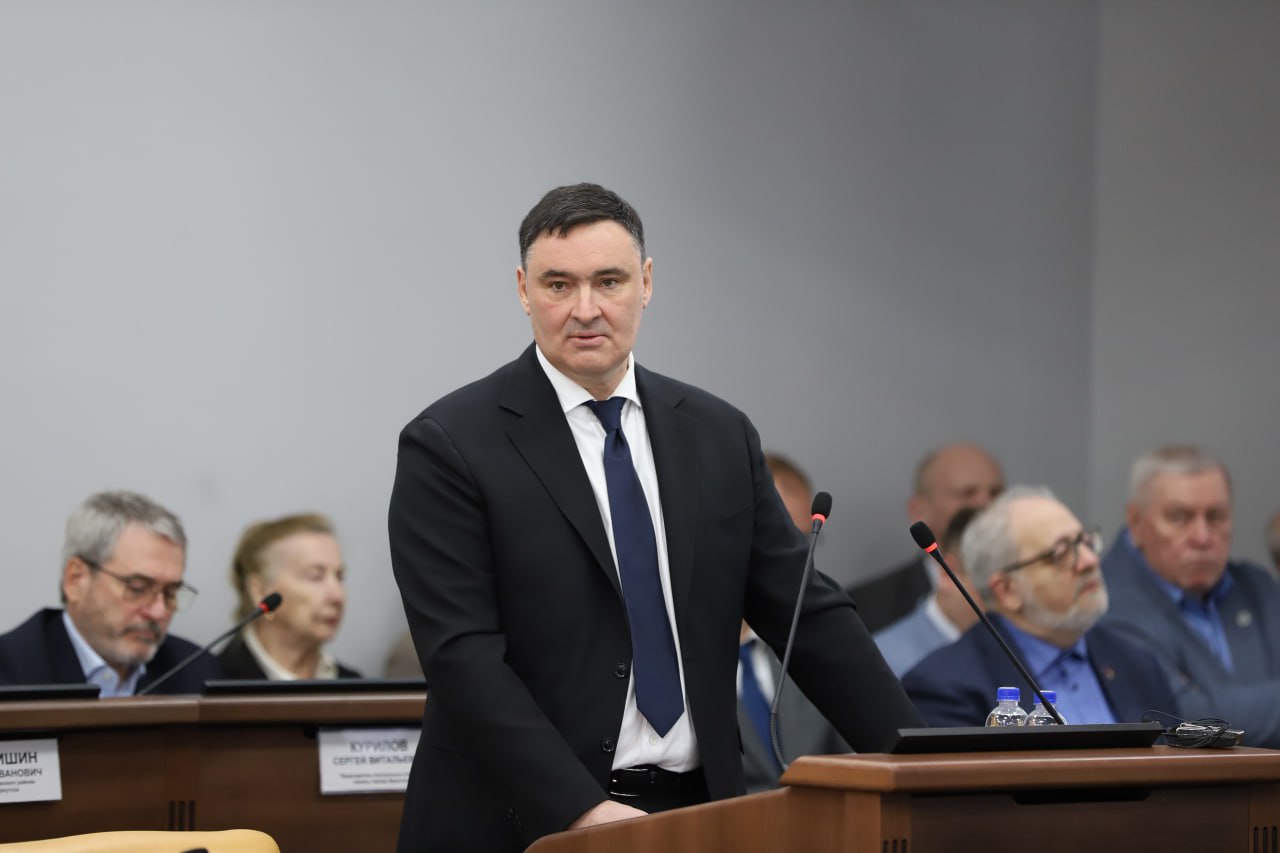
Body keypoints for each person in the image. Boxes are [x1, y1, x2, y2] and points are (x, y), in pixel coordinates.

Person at [387, 183, 921, 852]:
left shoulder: (717, 434)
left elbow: (805, 616)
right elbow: (462, 658)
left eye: (608, 281)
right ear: (524, 290)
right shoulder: (451, 444)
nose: (586, 309)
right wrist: (582, 810)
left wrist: (923, 763)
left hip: (698, 813)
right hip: (522, 822)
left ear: (646, 283)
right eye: (559, 285)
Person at [902, 486, 1176, 727]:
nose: (1089, 561)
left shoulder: (1136, 663)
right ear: (1008, 591)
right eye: (1060, 552)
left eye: (1085, 542)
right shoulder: (944, 687)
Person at [1099, 445, 1280, 747]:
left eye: (1216, 517)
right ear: (1136, 523)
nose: (1202, 537)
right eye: (1179, 517)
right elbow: (1180, 718)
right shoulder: (1106, 601)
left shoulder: (1256, 587)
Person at [0, 490, 218, 695]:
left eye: (171, 592)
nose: (158, 612)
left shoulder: (196, 672)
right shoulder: (10, 671)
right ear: (76, 579)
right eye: (138, 588)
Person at [737, 454, 848, 794]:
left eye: (804, 541)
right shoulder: (674, 652)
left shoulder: (820, 647)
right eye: (781, 540)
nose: (795, 559)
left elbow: (859, 762)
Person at [848, 444, 1004, 633]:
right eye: (967, 493)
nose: (985, 505)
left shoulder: (1027, 591)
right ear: (918, 510)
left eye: (995, 493)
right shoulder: (864, 608)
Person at [220, 513, 360, 680]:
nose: (338, 595)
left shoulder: (355, 686)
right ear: (260, 591)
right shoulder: (213, 682)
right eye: (316, 577)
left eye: (339, 577)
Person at [873, 506, 982, 677]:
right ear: (947, 574)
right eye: (996, 582)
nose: (1011, 598)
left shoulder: (1018, 644)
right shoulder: (883, 660)